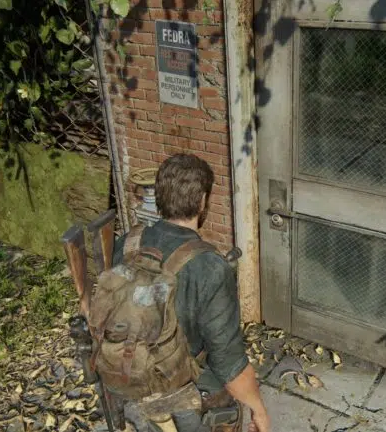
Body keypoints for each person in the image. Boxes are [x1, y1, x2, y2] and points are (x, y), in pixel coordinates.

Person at [112, 153, 270, 432]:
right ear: (202, 201)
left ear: (159, 197)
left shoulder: (126, 244)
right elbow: (228, 361)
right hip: (186, 397)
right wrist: (259, 409)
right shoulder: (210, 267)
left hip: (131, 382)